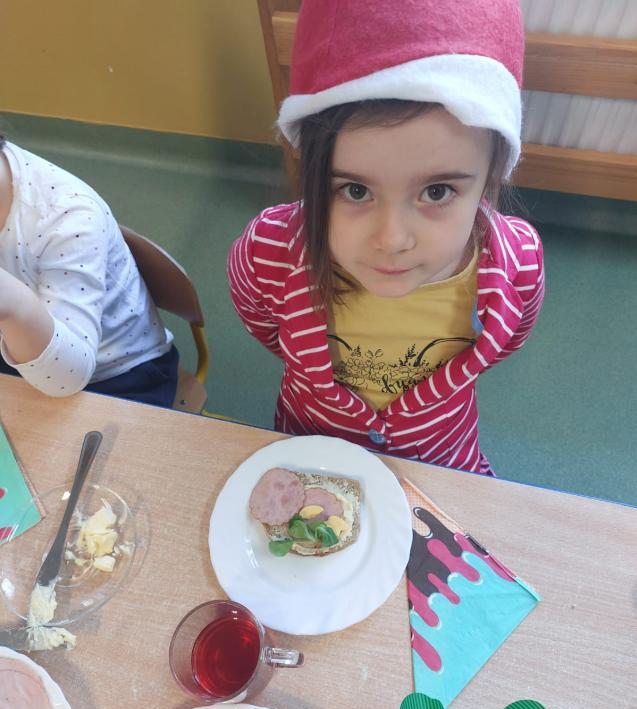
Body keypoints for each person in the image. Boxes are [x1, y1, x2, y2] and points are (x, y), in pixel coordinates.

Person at [229, 0, 544, 474]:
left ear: (491, 176)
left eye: (437, 191)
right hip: (309, 450)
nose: (392, 240)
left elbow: (507, 338)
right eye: (355, 190)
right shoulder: (268, 251)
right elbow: (264, 324)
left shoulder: (518, 262)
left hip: (443, 460)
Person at [0, 135, 178, 407]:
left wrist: (13, 303)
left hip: (117, 373)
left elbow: (69, 378)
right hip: (18, 350)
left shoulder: (67, 216)